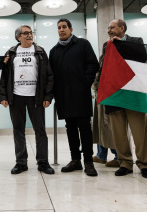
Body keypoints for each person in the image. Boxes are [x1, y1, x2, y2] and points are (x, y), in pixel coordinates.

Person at [0, 25, 55, 175]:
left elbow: (49, 75)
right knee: (18, 130)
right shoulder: (11, 53)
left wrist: (48, 96)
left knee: (40, 130)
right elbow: (3, 76)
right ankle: (21, 162)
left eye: (30, 33)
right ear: (18, 37)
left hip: (36, 97)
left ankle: (43, 162)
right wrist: (3, 96)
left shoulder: (40, 52)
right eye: (26, 33)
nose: (29, 35)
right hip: (16, 97)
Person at [101, 19, 147, 178]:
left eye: (112, 27)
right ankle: (125, 163)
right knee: (119, 133)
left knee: (139, 132)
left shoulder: (136, 41)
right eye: (108, 27)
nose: (109, 30)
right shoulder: (106, 45)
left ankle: (144, 165)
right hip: (115, 94)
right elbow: (106, 66)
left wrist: (121, 45)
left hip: (134, 93)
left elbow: (142, 57)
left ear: (122, 28)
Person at [49, 18, 99, 176]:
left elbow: (93, 64)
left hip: (81, 93)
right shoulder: (54, 51)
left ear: (71, 29)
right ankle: (75, 160)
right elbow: (51, 75)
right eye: (59, 28)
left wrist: (85, 83)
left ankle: (88, 162)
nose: (61, 30)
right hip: (63, 96)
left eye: (64, 27)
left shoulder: (83, 44)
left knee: (84, 128)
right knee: (70, 128)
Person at [92, 54, 119, 168]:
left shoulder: (116, 59)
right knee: (99, 125)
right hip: (101, 93)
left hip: (112, 94)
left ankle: (118, 156)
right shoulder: (102, 59)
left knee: (111, 126)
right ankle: (101, 155)